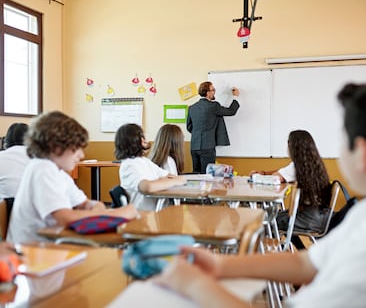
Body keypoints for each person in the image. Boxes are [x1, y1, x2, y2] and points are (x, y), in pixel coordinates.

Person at [153, 83, 366, 307]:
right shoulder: (359, 215)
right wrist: (220, 265)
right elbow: (307, 262)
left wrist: (195, 285)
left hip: (197, 147)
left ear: (361, 153)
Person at [7, 111, 138, 243]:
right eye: (76, 148)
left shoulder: (60, 174)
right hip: (31, 253)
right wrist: (118, 213)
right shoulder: (42, 168)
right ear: (55, 146)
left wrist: (95, 207)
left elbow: (85, 203)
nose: (81, 155)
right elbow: (65, 218)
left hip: (50, 247)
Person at [250, 130, 331, 249]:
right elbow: (281, 171)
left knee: (267, 222)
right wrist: (263, 172)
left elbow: (276, 178)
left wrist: (257, 176)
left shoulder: (297, 166)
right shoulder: (311, 163)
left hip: (307, 219)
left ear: (293, 147)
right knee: (276, 218)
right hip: (318, 215)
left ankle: (266, 252)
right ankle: (298, 251)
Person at [115, 123, 186, 211]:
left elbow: (169, 176)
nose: (145, 139)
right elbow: (147, 187)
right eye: (141, 136)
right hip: (143, 216)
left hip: (156, 211)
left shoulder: (144, 161)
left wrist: (168, 181)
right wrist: (175, 181)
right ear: (135, 140)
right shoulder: (128, 165)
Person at [187, 82, 240, 174]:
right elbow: (231, 111)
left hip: (194, 146)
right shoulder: (213, 106)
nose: (214, 92)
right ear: (208, 93)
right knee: (207, 175)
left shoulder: (192, 108)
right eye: (213, 90)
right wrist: (235, 97)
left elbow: (189, 127)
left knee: (196, 174)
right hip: (207, 147)